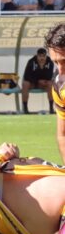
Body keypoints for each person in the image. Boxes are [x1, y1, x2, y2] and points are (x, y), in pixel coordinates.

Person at [46, 24, 65, 162]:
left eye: (64, 62)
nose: (61, 70)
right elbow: (62, 135)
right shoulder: (59, 86)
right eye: (56, 62)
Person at [21, 48, 55, 115]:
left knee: (50, 84)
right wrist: (37, 81)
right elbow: (26, 76)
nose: (42, 58)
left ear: (46, 56)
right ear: (37, 56)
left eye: (43, 56)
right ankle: (25, 109)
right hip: (32, 83)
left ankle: (51, 108)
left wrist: (41, 80)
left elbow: (49, 76)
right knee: (25, 84)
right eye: (40, 56)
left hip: (43, 84)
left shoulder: (50, 62)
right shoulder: (31, 62)